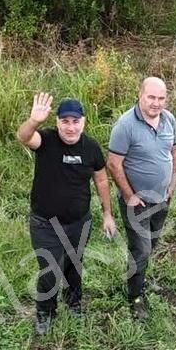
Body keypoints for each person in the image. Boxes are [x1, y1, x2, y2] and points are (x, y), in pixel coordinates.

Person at [17, 93, 116, 335]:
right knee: (50, 270)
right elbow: (24, 137)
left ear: (83, 122)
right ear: (57, 123)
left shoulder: (91, 147)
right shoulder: (46, 141)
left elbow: (101, 180)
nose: (70, 127)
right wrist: (33, 121)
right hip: (45, 224)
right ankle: (44, 314)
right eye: (65, 121)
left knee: (73, 267)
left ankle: (73, 305)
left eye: (75, 121)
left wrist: (107, 214)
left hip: (79, 223)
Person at [107, 76, 176, 319]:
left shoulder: (169, 119)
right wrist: (129, 195)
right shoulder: (125, 125)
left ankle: (141, 280)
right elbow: (114, 164)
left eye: (161, 98)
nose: (156, 103)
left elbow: (175, 150)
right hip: (137, 203)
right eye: (151, 97)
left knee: (151, 244)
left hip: (161, 198)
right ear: (140, 95)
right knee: (141, 249)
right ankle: (135, 297)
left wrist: (172, 183)